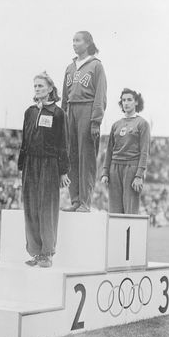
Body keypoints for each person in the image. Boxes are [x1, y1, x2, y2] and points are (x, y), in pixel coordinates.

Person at [18, 72, 70, 267]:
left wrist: (63, 171)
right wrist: (21, 165)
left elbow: (64, 143)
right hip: (30, 163)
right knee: (31, 207)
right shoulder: (29, 112)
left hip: (49, 164)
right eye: (35, 86)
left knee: (46, 208)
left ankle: (47, 253)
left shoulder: (58, 113)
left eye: (41, 86)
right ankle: (35, 252)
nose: (37, 89)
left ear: (50, 89)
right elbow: (24, 140)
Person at [61, 31, 107, 212]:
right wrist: (63, 117)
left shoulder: (96, 66)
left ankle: (85, 202)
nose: (74, 43)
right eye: (72, 40)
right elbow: (65, 97)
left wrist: (96, 121)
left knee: (86, 157)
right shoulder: (69, 67)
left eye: (77, 40)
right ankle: (75, 200)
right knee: (71, 156)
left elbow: (100, 95)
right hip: (71, 110)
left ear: (87, 43)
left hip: (87, 110)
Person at [101, 88, 150, 214]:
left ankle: (131, 234)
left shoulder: (142, 123)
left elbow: (145, 151)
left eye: (129, 100)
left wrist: (139, 175)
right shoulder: (116, 125)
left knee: (130, 210)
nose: (126, 103)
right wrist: (105, 172)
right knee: (114, 211)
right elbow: (109, 150)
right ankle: (116, 234)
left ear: (136, 102)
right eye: (123, 100)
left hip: (131, 168)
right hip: (114, 168)